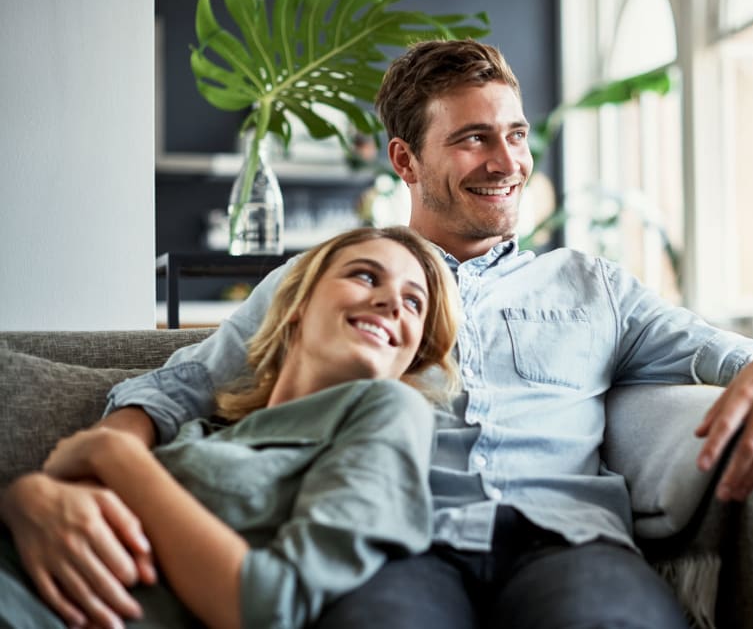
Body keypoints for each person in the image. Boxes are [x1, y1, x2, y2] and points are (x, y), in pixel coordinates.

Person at [2, 40, 753, 629]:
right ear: (405, 159)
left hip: (570, 542)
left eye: (513, 134)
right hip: (389, 546)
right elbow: (175, 384)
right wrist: (75, 483)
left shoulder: (594, 286)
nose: (505, 160)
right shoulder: (334, 279)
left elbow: (743, 358)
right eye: (472, 138)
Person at [0, 226, 460, 628]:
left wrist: (116, 457)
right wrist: (21, 498)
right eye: (364, 275)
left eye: (414, 303)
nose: (391, 302)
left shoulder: (392, 411)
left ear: (412, 352)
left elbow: (270, 605)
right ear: (298, 304)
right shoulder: (203, 427)